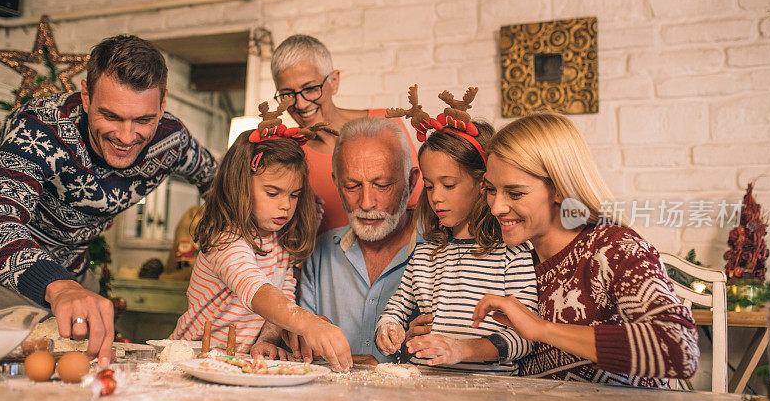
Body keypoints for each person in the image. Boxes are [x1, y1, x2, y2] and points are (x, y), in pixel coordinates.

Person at [0, 35, 217, 367]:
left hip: (76, 278)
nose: (125, 136)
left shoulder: (172, 140)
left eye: (143, 120)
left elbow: (221, 183)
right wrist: (57, 286)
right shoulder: (36, 128)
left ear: (162, 103)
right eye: (111, 116)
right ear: (86, 96)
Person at [472, 112, 699, 387]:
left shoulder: (613, 249)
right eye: (491, 190)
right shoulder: (516, 263)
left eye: (516, 193)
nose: (496, 207)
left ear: (559, 189)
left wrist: (543, 329)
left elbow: (679, 349)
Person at [169, 113, 352, 371]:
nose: (286, 205)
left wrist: (267, 338)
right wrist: (310, 323)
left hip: (233, 363)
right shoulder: (226, 240)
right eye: (273, 193)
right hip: (189, 359)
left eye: (295, 195)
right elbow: (257, 291)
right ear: (240, 186)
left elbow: (282, 293)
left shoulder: (280, 242)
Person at [375, 101, 538, 374]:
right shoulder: (426, 255)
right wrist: (388, 328)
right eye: (429, 186)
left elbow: (525, 338)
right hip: (427, 389)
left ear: (482, 184)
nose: (436, 196)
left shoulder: (513, 256)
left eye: (449, 185)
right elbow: (396, 308)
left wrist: (463, 349)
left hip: (490, 396)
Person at [289, 116, 420, 363]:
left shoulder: (441, 254)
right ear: (336, 183)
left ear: (411, 182)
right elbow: (303, 355)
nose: (366, 203)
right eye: (351, 186)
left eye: (382, 185)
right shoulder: (320, 253)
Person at [271, 34, 423, 232]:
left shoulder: (385, 124)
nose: (300, 104)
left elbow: (417, 204)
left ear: (334, 81)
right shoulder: (288, 154)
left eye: (310, 89)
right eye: (287, 94)